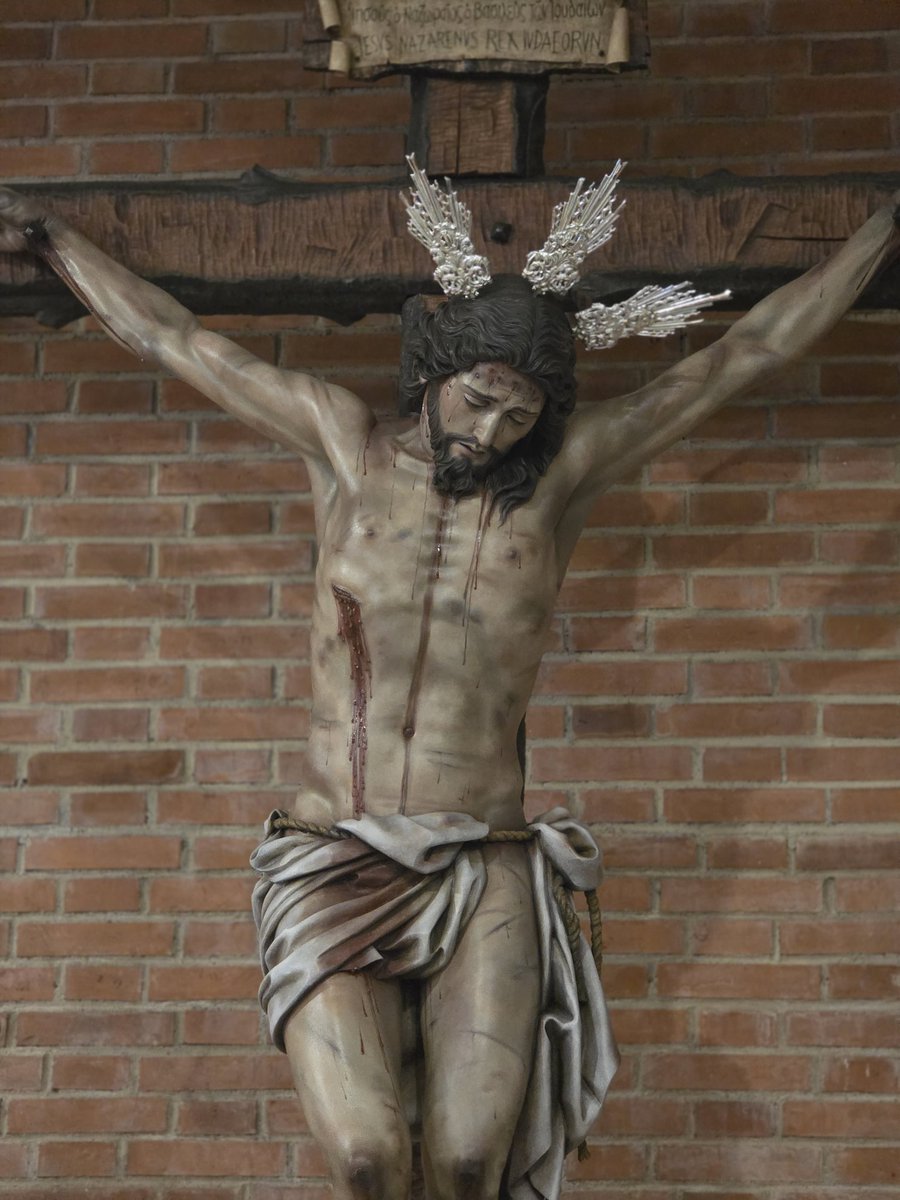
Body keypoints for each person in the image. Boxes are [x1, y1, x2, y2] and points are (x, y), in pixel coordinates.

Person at [1, 172, 898, 1200]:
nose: (493, 434)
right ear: (434, 371)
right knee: (369, 1158)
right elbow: (179, 341)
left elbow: (746, 355)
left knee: (472, 1162)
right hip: (334, 851)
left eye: (520, 416)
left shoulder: (558, 483)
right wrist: (59, 243)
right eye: (479, 401)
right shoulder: (345, 446)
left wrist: (882, 231)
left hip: (486, 864)